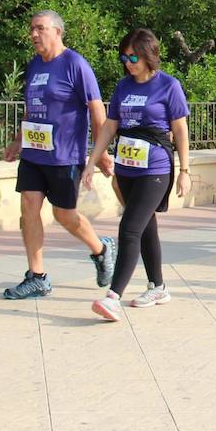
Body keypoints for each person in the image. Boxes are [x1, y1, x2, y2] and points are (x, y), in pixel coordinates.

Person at [1, 10, 116, 298]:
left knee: (64, 215)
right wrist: (18, 140)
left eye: (40, 28)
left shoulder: (75, 64)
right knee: (28, 206)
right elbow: (31, 106)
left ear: (57, 31)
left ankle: (101, 249)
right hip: (34, 154)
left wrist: (100, 152)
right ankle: (36, 275)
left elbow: (96, 107)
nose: (34, 34)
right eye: (31, 29)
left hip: (65, 155)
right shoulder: (34, 66)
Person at [86, 29, 190, 320]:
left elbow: (180, 129)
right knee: (145, 226)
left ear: (148, 55)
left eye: (133, 56)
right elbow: (109, 126)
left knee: (129, 228)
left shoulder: (168, 85)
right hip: (126, 168)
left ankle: (112, 297)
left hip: (156, 168)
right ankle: (158, 286)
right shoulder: (123, 86)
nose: (128, 62)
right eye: (124, 57)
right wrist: (92, 160)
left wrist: (185, 170)